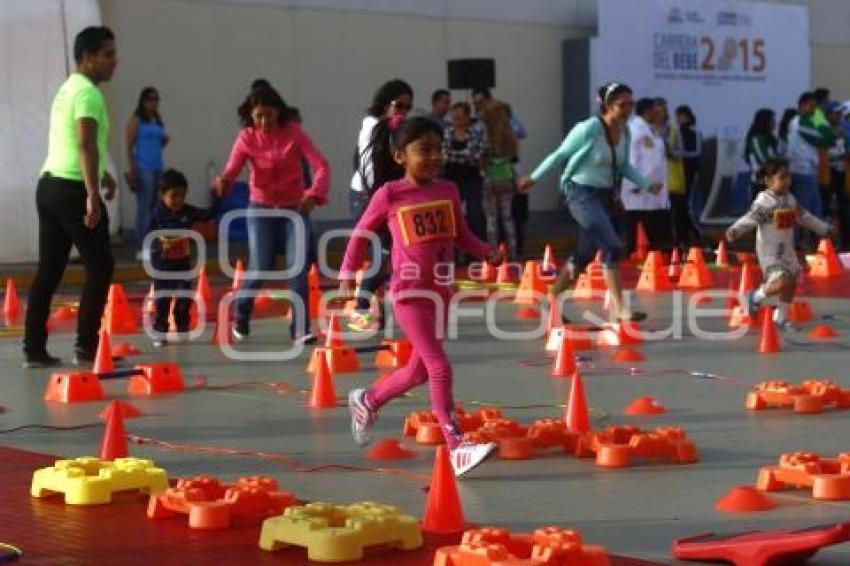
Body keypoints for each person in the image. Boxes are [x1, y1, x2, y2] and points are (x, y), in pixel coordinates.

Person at [340, 117, 502, 477]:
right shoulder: (391, 194)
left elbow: (461, 234)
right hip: (409, 294)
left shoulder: (448, 189)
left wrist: (484, 251)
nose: (433, 157)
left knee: (417, 372)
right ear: (400, 155)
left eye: (437, 149)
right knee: (439, 367)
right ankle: (456, 444)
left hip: (440, 293)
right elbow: (360, 233)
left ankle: (367, 400)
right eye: (423, 150)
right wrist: (349, 274)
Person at [519, 82, 661, 323]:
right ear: (606, 105)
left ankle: (550, 298)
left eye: (631, 104)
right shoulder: (587, 129)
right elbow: (559, 154)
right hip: (581, 194)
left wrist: (647, 184)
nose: (628, 109)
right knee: (613, 246)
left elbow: (623, 165)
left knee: (585, 254)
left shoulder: (625, 132)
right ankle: (620, 309)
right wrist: (533, 178)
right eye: (622, 105)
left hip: (606, 197)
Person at [23, 26, 117, 368]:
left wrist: (103, 175)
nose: (114, 62)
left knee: (49, 270)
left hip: (48, 187)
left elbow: (71, 142)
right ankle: (87, 348)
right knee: (101, 266)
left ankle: (33, 349)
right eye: (107, 55)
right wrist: (93, 194)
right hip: (72, 189)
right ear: (88, 58)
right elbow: (84, 143)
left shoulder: (67, 89)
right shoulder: (89, 94)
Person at [214, 86, 330, 345]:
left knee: (298, 268)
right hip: (261, 208)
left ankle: (300, 329)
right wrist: (224, 181)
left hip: (294, 208)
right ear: (251, 117)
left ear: (278, 112)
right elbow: (232, 169)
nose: (264, 122)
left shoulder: (294, 134)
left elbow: (321, 165)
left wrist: (314, 193)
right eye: (259, 117)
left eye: (269, 115)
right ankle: (241, 312)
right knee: (260, 266)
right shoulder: (246, 138)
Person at [726, 157, 834, 331]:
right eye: (782, 177)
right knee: (782, 281)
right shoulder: (764, 201)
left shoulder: (790, 199)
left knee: (790, 283)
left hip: (787, 252)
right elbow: (750, 218)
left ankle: (780, 318)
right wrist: (735, 230)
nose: (787, 181)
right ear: (769, 181)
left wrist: (825, 228)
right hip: (770, 253)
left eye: (788, 177)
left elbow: (804, 217)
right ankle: (754, 297)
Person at [348, 79, 413, 331]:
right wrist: (379, 199)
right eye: (399, 105)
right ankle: (362, 306)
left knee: (390, 253)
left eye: (408, 108)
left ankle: (372, 304)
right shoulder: (372, 126)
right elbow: (368, 167)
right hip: (368, 196)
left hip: (387, 196)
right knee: (385, 253)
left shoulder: (392, 127)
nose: (403, 112)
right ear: (385, 103)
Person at [147, 169, 212, 347]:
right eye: (173, 196)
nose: (178, 201)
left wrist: (218, 195)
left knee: (185, 296)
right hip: (162, 267)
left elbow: (207, 214)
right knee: (162, 300)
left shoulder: (188, 212)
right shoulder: (156, 215)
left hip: (183, 265)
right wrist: (160, 246)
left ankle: (182, 323)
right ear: (162, 195)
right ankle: (160, 330)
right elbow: (147, 238)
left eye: (182, 196)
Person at [621, 98, 671, 255]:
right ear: (648, 111)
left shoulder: (652, 130)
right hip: (640, 191)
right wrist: (636, 184)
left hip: (655, 190)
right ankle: (635, 257)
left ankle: (654, 258)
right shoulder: (634, 130)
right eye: (657, 110)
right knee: (637, 227)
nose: (660, 114)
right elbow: (631, 160)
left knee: (655, 227)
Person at [787, 92, 836, 247]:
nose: (816, 110)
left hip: (810, 172)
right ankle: (794, 243)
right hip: (802, 172)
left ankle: (821, 242)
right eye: (812, 106)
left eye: (817, 107)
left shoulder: (807, 119)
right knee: (804, 210)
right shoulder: (800, 122)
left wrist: (818, 118)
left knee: (816, 208)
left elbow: (828, 135)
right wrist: (820, 119)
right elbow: (829, 138)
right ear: (802, 105)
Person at [125, 86, 169, 255]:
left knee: (156, 205)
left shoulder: (156, 120)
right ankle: (143, 244)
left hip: (157, 166)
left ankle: (153, 242)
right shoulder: (136, 120)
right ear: (143, 101)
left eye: (156, 99)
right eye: (150, 99)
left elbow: (160, 143)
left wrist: (164, 140)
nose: (154, 103)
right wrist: (132, 168)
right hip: (143, 167)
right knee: (144, 206)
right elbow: (129, 145)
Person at [442, 101, 486, 253]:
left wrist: (455, 156)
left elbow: (477, 155)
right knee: (451, 217)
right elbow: (445, 155)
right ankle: (452, 251)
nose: (457, 121)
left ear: (468, 117)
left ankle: (476, 253)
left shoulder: (476, 134)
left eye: (460, 117)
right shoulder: (446, 133)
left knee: (475, 215)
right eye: (454, 118)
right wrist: (465, 157)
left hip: (472, 179)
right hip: (451, 180)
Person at [479, 98, 519, 260]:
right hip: (506, 177)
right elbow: (513, 157)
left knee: (491, 217)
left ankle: (493, 253)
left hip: (489, 178)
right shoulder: (509, 134)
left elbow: (481, 157)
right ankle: (513, 253)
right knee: (507, 217)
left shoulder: (484, 134)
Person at [674, 105, 702, 247]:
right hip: (677, 174)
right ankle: (682, 235)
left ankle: (697, 231)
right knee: (679, 206)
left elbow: (697, 152)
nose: (678, 119)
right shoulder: (675, 131)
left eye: (680, 116)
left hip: (690, 172)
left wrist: (680, 154)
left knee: (688, 205)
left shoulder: (694, 132)